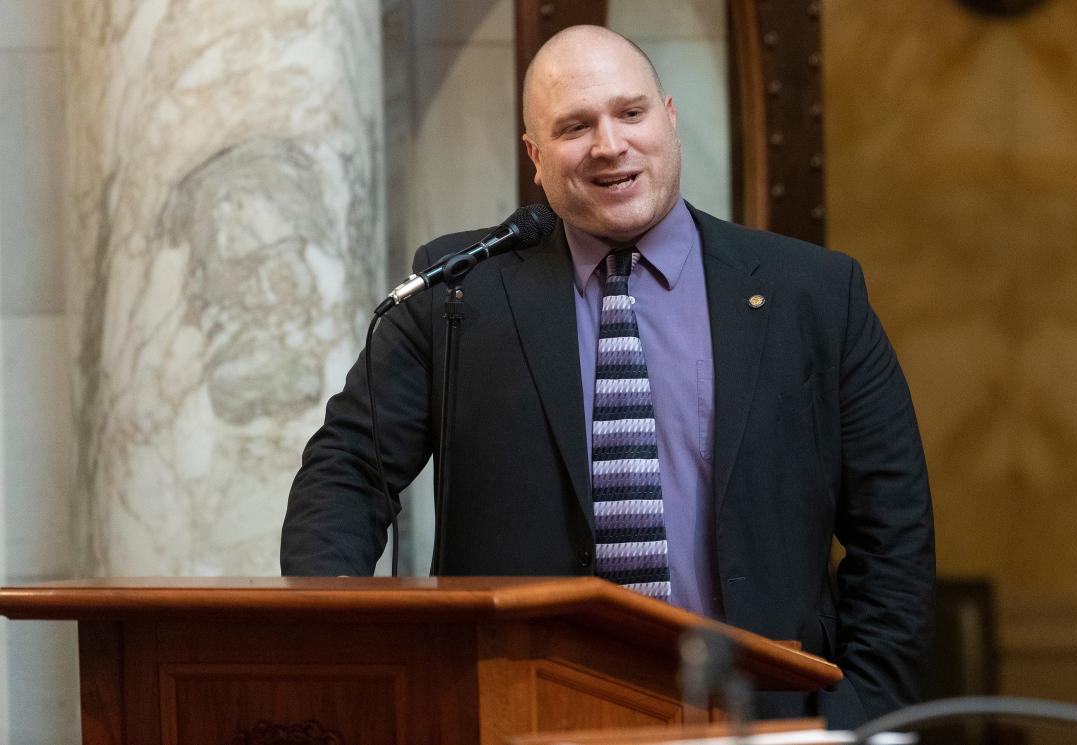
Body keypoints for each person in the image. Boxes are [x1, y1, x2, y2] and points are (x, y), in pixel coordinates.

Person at [282, 25, 934, 728]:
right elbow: (346, 471)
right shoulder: (458, 293)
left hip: (759, 715)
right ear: (535, 157)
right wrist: (338, 652)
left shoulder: (813, 293)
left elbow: (893, 530)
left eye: (630, 112)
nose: (608, 144)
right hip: (522, 717)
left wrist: (859, 721)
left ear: (670, 120)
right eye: (574, 126)